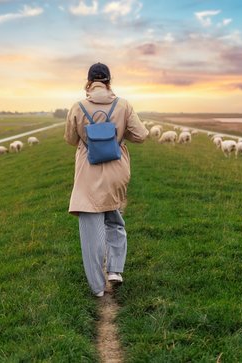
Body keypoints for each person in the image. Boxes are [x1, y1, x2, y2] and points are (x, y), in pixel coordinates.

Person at [64, 62, 149, 297]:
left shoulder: (78, 107)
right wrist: (119, 134)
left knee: (91, 230)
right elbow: (141, 135)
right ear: (109, 81)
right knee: (114, 219)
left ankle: (97, 288)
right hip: (116, 171)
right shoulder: (123, 105)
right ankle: (115, 270)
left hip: (89, 171)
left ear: (89, 82)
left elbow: (71, 139)